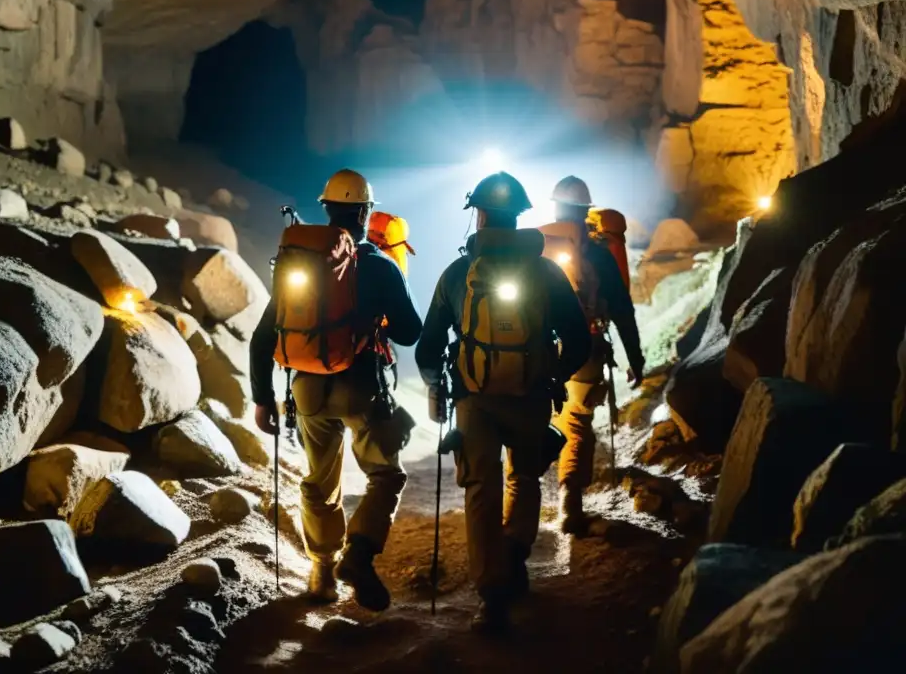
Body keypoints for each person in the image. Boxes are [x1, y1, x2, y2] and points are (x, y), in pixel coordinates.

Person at [415, 171, 592, 633]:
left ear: (479, 215)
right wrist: (553, 375)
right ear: (519, 216)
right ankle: (515, 553)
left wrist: (438, 384)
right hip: (531, 396)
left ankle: (491, 595)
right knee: (525, 477)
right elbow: (579, 340)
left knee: (480, 488)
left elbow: (427, 347)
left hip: (475, 400)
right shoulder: (546, 272)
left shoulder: (458, 273)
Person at [250, 169, 423, 612]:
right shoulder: (380, 265)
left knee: (319, 482)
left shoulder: (301, 263)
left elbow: (264, 336)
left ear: (326, 209)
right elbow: (410, 332)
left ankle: (322, 573)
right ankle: (359, 554)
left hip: (308, 390)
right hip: (361, 388)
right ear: (365, 212)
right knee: (385, 475)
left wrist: (262, 398)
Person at [540, 176, 644, 535]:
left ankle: (516, 506)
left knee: (530, 420)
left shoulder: (536, 247)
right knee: (576, 424)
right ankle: (570, 504)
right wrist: (636, 358)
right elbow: (622, 309)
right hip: (586, 349)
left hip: (537, 351)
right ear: (586, 211)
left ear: (555, 207)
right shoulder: (599, 253)